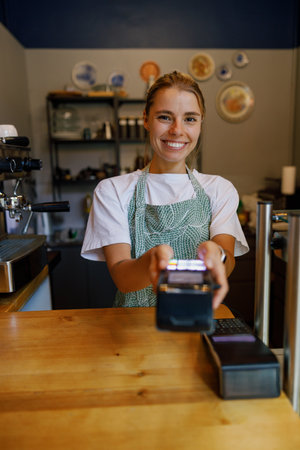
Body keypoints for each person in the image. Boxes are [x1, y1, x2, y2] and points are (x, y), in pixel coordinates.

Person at [81, 70, 249, 309]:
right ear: (146, 119)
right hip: (131, 332)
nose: (177, 130)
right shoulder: (112, 191)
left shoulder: (219, 189)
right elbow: (123, 280)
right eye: (165, 117)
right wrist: (151, 259)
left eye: (190, 118)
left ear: (201, 123)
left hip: (195, 324)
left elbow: (228, 262)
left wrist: (217, 254)